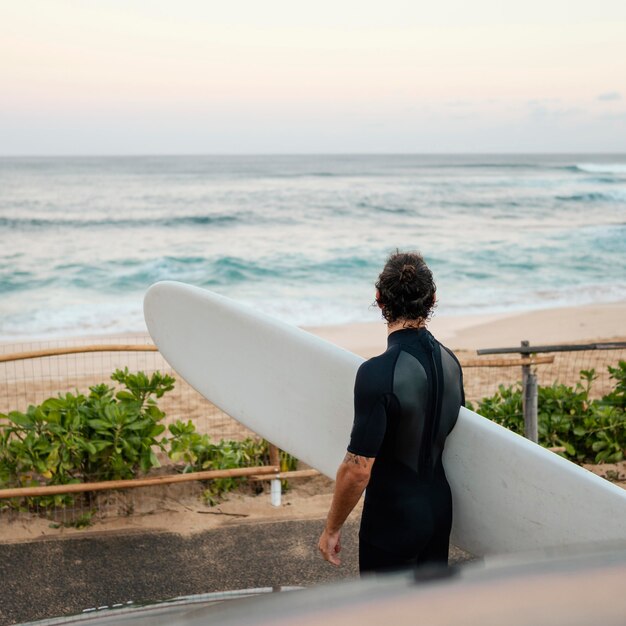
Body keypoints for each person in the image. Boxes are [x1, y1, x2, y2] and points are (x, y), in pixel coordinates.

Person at [318, 251, 464, 574]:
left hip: (392, 521)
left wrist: (331, 528)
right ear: (433, 298)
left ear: (380, 299)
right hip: (439, 511)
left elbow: (357, 471)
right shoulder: (452, 364)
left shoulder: (377, 374)